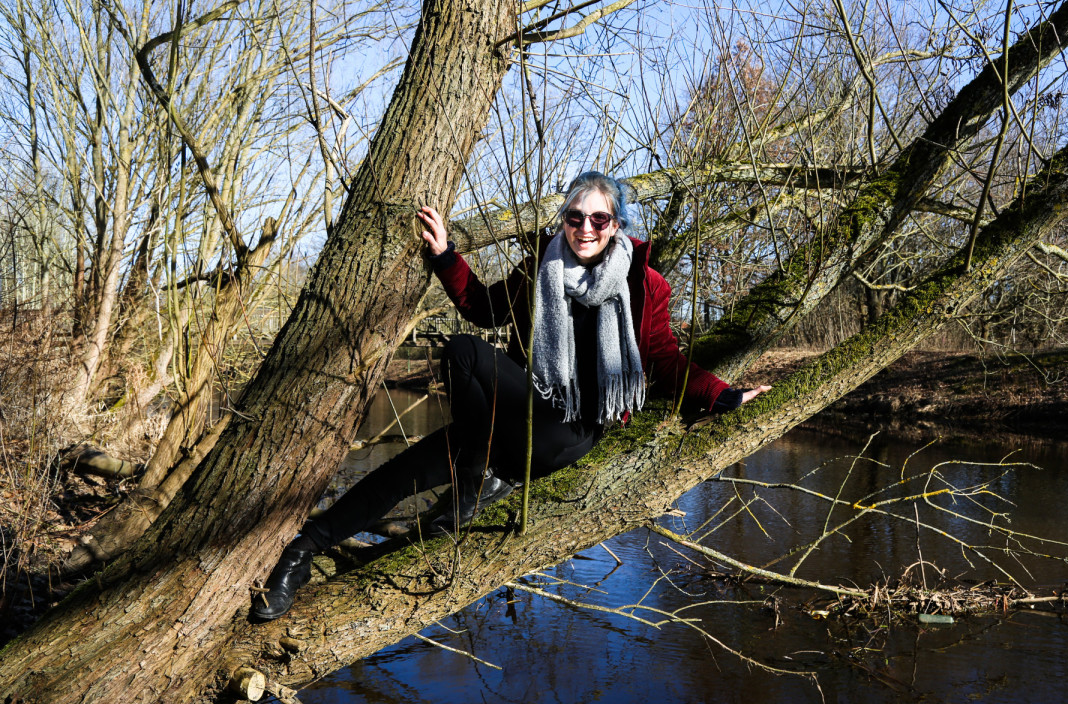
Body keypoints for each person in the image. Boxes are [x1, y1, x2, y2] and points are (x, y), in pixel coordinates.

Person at [250, 171, 770, 621]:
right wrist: (445, 255)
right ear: (563, 220)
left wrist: (723, 395)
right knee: (410, 454)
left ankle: (475, 474)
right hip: (514, 416)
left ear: (617, 226)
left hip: (571, 430)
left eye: (599, 219)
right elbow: (482, 307)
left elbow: (663, 357)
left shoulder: (643, 284)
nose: (585, 229)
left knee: (462, 395)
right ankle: (301, 551)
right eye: (574, 218)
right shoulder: (537, 271)